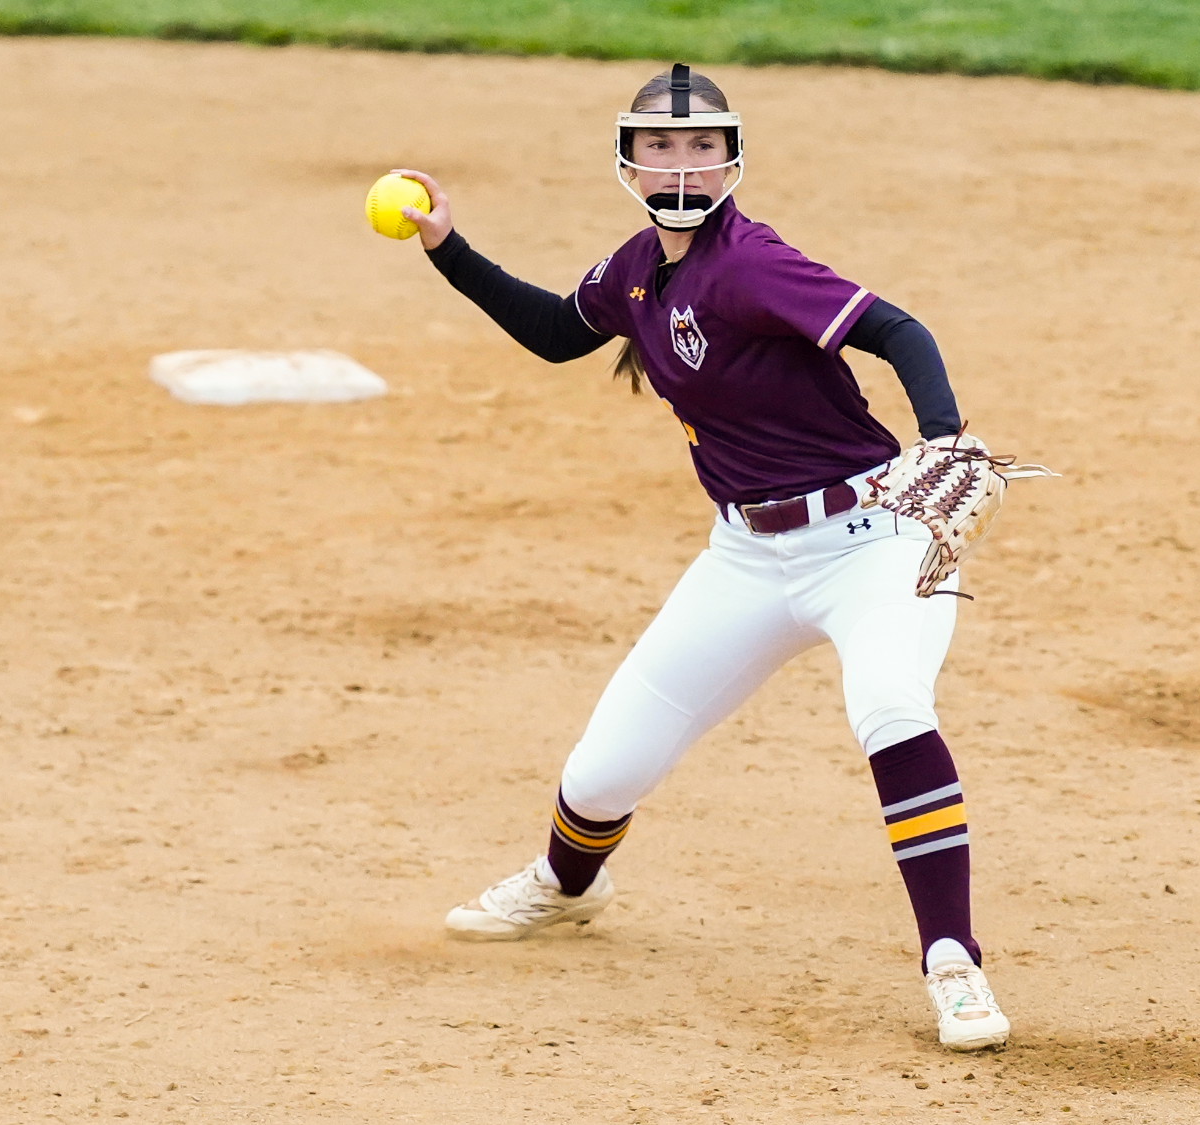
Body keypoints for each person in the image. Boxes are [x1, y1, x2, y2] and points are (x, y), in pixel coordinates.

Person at [389, 64, 1009, 1052]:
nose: (681, 164)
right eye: (661, 146)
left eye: (700, 145)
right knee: (598, 777)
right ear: (628, 161)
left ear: (731, 158)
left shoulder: (754, 264)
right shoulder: (637, 267)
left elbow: (899, 332)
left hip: (874, 542)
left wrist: (938, 438)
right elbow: (557, 332)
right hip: (746, 558)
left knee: (890, 708)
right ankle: (562, 889)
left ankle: (952, 961)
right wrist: (446, 248)